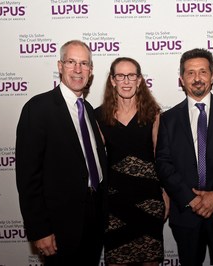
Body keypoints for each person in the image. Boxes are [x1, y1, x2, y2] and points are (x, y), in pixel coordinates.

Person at [155, 48, 213, 266]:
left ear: (212, 76)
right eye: (190, 73)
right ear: (181, 79)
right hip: (186, 213)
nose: (197, 78)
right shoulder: (168, 119)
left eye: (203, 72)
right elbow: (163, 163)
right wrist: (192, 199)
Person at [15, 40, 107, 266]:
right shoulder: (38, 108)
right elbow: (28, 177)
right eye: (71, 62)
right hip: (59, 228)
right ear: (59, 65)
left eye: (84, 63)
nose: (78, 69)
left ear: (91, 71)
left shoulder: (88, 110)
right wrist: (39, 229)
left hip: (94, 220)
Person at [95, 57, 168, 266]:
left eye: (132, 76)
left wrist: (166, 192)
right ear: (112, 80)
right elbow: (97, 161)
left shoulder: (153, 114)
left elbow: (160, 157)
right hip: (115, 202)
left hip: (149, 200)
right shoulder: (99, 116)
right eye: (120, 75)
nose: (126, 81)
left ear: (139, 80)